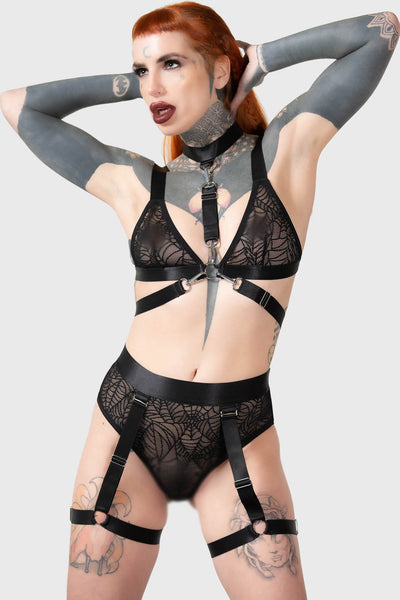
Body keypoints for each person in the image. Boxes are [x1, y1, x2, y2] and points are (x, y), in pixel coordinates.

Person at [1, 2, 398, 598]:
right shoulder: (136, 181)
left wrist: (259, 59)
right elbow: (18, 106)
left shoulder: (284, 153)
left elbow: (380, 32)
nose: (152, 87)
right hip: (130, 422)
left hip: (240, 429)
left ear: (218, 70)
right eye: (142, 70)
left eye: (170, 64)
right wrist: (130, 83)